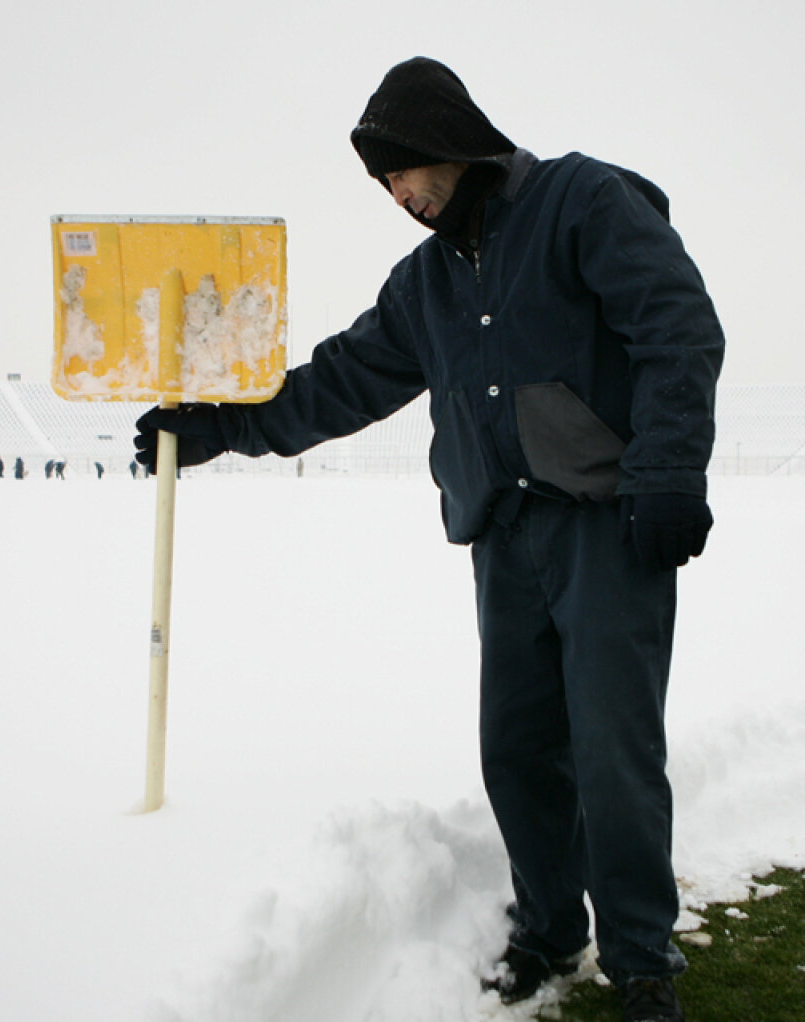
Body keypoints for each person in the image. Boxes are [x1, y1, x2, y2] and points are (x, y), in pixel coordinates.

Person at [133, 57, 723, 1022]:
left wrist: (667, 472)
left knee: (614, 752)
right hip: (504, 537)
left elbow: (677, 326)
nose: (397, 194)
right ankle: (549, 929)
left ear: (447, 142)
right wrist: (219, 426)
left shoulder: (580, 203)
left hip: (604, 526)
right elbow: (340, 382)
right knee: (518, 750)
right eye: (383, 183)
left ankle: (641, 959)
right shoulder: (424, 285)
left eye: (401, 170)